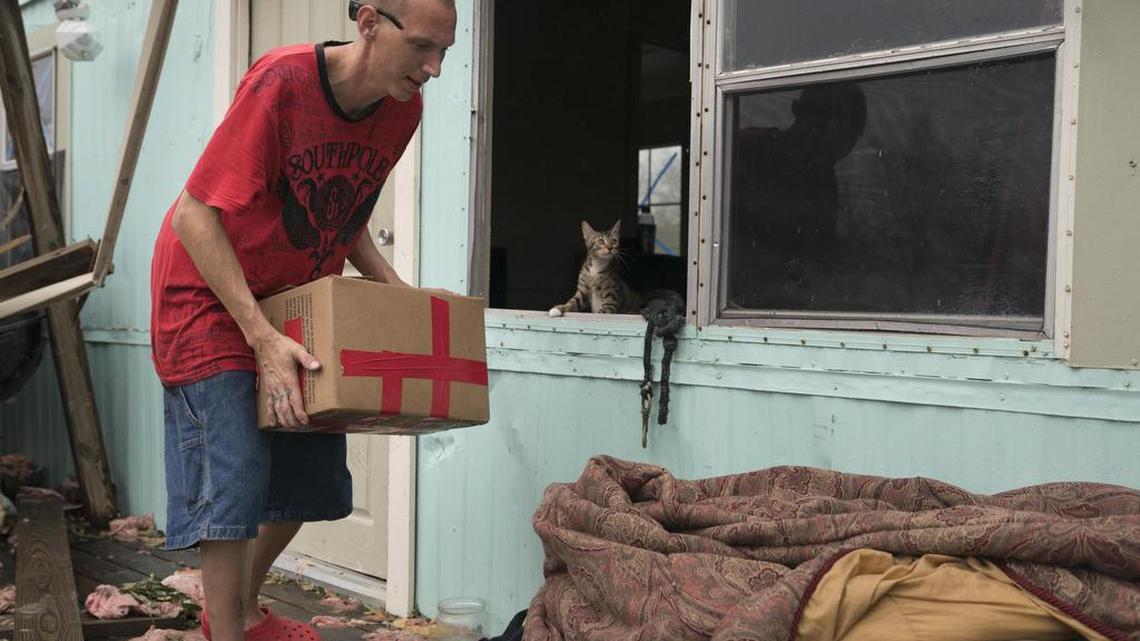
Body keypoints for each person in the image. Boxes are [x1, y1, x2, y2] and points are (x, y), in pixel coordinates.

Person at [149, 1, 456, 639]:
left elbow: (346, 208)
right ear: (370, 21)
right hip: (207, 291)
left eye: (445, 52)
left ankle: (236, 612)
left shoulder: (404, 109)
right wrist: (260, 340)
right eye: (424, 47)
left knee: (304, 472)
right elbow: (193, 217)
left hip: (291, 297)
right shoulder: (282, 84)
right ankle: (226, 633)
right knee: (233, 483)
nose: (435, 68)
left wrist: (391, 287)